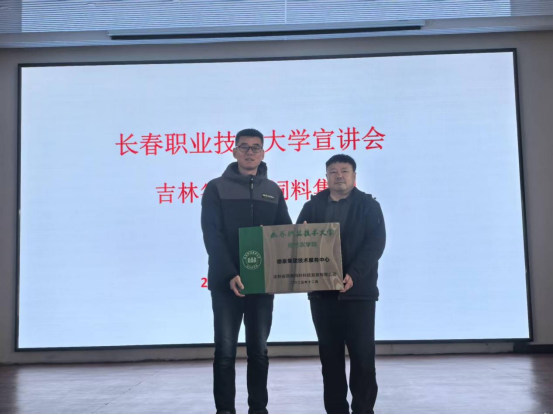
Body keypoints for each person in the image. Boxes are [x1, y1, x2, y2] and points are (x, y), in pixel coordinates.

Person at [201, 128, 293, 415]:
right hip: (225, 283)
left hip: (261, 284)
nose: (250, 152)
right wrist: (230, 273)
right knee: (225, 352)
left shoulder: (273, 190)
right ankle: (225, 410)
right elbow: (212, 235)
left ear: (263, 153)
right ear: (234, 151)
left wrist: (296, 243)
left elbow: (284, 232)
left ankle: (258, 409)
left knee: (259, 351)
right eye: (244, 147)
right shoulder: (216, 188)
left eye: (255, 147)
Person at [297, 154, 386, 415]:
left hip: (359, 294)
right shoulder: (312, 206)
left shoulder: (368, 206)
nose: (339, 176)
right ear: (326, 177)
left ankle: (363, 409)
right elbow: (295, 240)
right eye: (333, 171)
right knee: (330, 359)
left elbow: (375, 244)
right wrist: (301, 234)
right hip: (322, 296)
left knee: (363, 358)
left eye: (344, 171)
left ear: (354, 176)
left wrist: (354, 274)